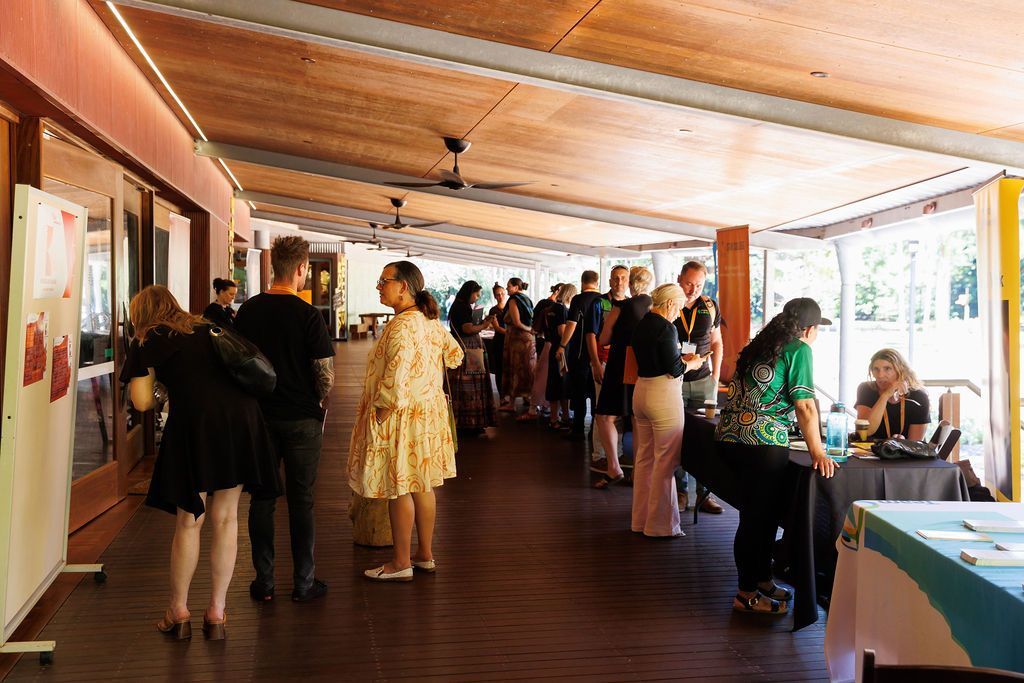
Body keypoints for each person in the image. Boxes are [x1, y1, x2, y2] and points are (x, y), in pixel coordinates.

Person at [121, 285, 279, 641]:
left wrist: (165, 388)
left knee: (190, 520)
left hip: (195, 426)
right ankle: (217, 613)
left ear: (140, 317)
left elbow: (142, 402)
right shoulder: (207, 327)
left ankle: (178, 612)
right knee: (226, 518)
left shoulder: (148, 340)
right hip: (241, 422)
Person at [715, 298, 837, 614]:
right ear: (809, 329)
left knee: (762, 515)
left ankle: (762, 579)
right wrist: (818, 452)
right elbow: (805, 405)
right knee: (757, 518)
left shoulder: (761, 345)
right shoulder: (799, 349)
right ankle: (746, 593)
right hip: (762, 441)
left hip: (730, 436)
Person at [348, 261, 464, 581]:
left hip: (401, 417)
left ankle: (400, 563)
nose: (378, 286)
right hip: (426, 416)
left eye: (383, 281)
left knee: (399, 487)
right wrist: (426, 376)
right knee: (421, 485)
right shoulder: (428, 321)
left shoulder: (401, 325)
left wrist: (381, 412)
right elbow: (455, 356)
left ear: (403, 286)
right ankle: (424, 555)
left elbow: (396, 375)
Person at [235, 236, 335, 603]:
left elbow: (236, 364)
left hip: (258, 417)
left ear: (273, 266)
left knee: (262, 498)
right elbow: (324, 374)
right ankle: (304, 583)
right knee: (301, 499)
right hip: (302, 419)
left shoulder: (248, 312)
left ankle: (264, 583)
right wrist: (317, 399)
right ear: (301, 269)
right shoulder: (308, 315)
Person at [629, 284, 703, 536]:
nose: (679, 312)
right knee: (665, 461)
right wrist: (693, 363)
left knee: (644, 458)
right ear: (670, 303)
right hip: (663, 396)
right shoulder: (666, 327)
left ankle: (640, 520)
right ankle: (660, 525)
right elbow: (675, 369)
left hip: (641, 391)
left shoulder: (642, 324)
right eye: (679, 306)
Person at [593, 266, 653, 488]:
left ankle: (613, 467)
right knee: (637, 419)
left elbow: (603, 339)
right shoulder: (654, 306)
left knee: (605, 417)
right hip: (642, 367)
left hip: (619, 365)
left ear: (630, 283)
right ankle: (638, 471)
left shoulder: (621, 307)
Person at [673, 261, 725, 514]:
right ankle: (680, 492)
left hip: (705, 381)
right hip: (675, 381)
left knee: (707, 437)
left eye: (699, 285)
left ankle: (705, 495)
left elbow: (716, 342)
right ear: (679, 279)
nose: (693, 289)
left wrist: (716, 375)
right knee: (678, 437)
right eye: (688, 283)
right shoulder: (669, 304)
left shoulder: (710, 305)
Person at [585, 265, 629, 468]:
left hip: (623, 364)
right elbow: (591, 335)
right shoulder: (599, 303)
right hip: (603, 362)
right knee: (602, 409)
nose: (619, 282)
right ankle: (600, 455)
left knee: (617, 410)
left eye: (623, 278)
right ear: (609, 281)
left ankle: (616, 454)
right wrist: (595, 364)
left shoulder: (630, 304)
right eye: (615, 278)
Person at [555, 271, 602, 441]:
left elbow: (571, 325)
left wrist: (562, 346)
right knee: (596, 394)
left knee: (579, 393)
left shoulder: (578, 300)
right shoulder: (603, 300)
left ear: (582, 282)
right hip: (598, 354)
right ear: (597, 282)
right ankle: (594, 431)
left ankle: (578, 429)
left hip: (580, 353)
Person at [447, 280, 497, 433]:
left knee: (467, 384)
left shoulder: (460, 305)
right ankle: (469, 422)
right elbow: (468, 329)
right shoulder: (462, 307)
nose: (477, 297)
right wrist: (484, 325)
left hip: (465, 347)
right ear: (469, 293)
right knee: (470, 384)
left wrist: (482, 323)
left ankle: (464, 421)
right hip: (468, 348)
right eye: (476, 294)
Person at [855, 348, 930, 440]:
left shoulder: (918, 397)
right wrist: (885, 396)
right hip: (870, 448)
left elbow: (914, 445)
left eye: (887, 369)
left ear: (900, 371)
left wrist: (901, 444)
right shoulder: (866, 389)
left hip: (903, 449)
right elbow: (865, 432)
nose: (880, 375)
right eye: (876, 369)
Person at [502, 277, 537, 420]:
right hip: (528, 340)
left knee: (515, 369)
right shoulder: (527, 299)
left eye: (509, 286)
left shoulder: (514, 300)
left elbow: (516, 322)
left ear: (516, 287)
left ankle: (512, 404)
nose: (507, 288)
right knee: (528, 368)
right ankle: (529, 399)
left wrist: (528, 329)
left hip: (518, 339)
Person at [544, 283, 576, 429]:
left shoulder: (552, 308)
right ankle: (556, 418)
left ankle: (562, 416)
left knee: (556, 382)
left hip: (553, 348)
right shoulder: (562, 309)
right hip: (561, 351)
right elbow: (562, 331)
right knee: (560, 383)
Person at [530, 284, 562, 419]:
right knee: (546, 377)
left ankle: (541, 406)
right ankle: (545, 406)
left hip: (545, 342)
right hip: (551, 343)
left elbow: (535, 326)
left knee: (542, 376)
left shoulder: (545, 305)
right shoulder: (557, 308)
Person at [489, 283, 509, 409]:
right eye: (498, 295)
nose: (500, 296)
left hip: (510, 342)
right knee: (499, 369)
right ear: (495, 296)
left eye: (502, 293)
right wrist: (511, 333)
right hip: (499, 342)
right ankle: (502, 397)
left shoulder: (510, 307)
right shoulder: (493, 311)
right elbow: (496, 328)